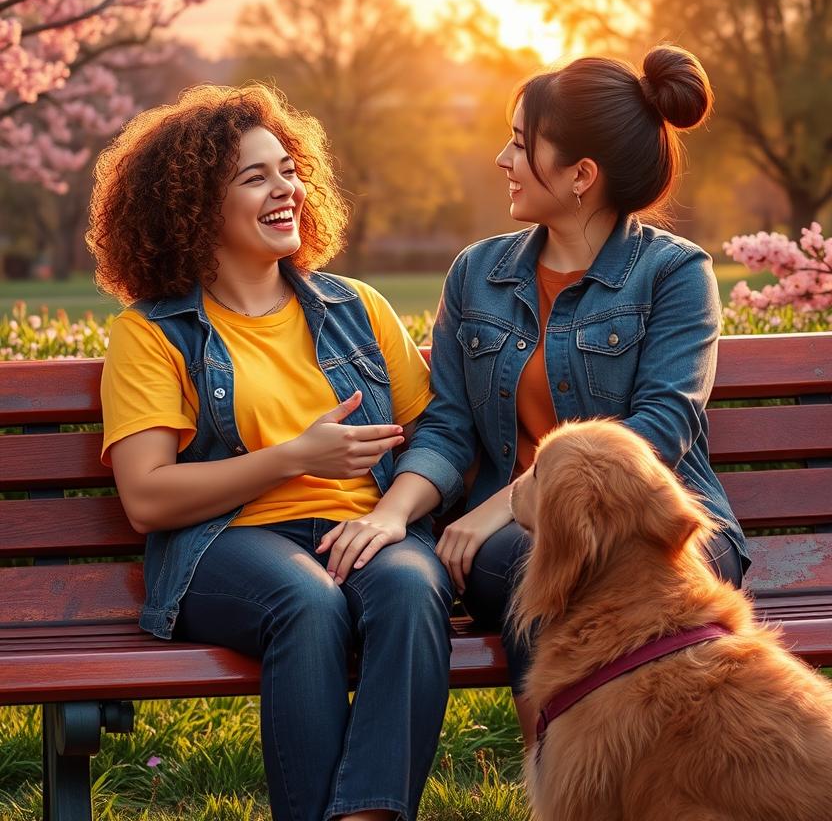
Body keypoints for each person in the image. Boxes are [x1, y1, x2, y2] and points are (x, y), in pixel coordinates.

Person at [88, 83, 454, 821]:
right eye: (255, 177)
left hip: (363, 529)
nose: (285, 188)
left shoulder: (358, 310)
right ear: (193, 207)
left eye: (288, 170)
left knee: (416, 586)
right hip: (229, 545)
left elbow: (441, 432)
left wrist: (390, 515)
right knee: (307, 602)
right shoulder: (154, 334)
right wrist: (294, 456)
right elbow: (148, 497)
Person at [395, 45, 750, 748]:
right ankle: (569, 783)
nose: (503, 157)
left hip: (654, 527)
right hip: (517, 546)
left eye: (523, 144)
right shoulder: (477, 274)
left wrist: (502, 504)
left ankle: (609, 782)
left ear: (582, 175)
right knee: (539, 568)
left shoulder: (674, 275)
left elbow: (658, 431)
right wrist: (397, 510)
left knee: (558, 568)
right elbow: (449, 427)